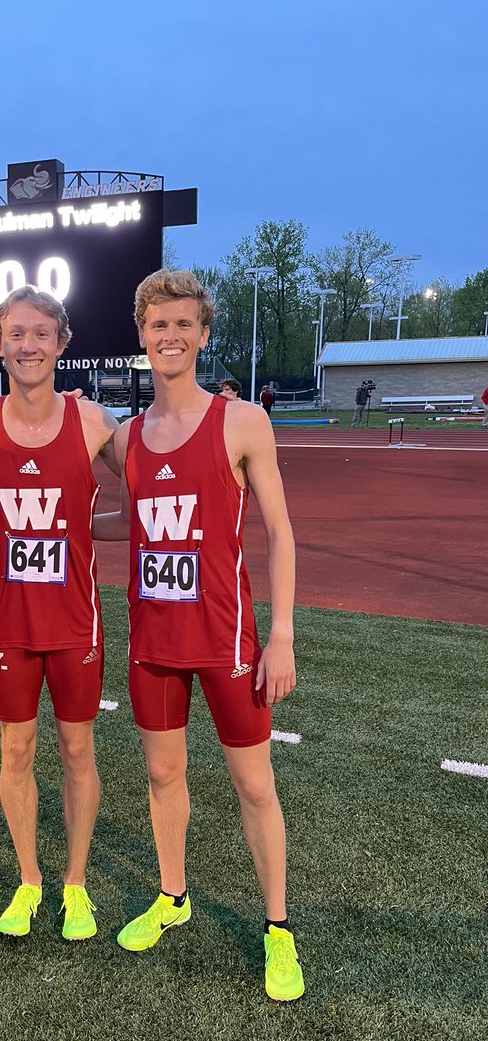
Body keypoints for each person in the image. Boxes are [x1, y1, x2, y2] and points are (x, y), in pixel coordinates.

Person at [93, 269, 304, 1002]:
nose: (170, 336)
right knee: (162, 776)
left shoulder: (242, 422)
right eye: (158, 325)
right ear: (141, 335)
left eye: (183, 324)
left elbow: (279, 531)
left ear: (203, 334)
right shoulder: (127, 439)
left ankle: (278, 929)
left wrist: (280, 635)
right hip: (153, 640)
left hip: (228, 641)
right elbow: (133, 522)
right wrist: (61, 525)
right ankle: (172, 897)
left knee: (253, 784)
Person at [0, 286, 120, 941]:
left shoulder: (96, 425)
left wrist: (85, 527)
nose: (28, 345)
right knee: (16, 749)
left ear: (62, 343)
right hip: (9, 630)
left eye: (41, 333)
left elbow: (160, 488)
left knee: (77, 751)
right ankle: (30, 880)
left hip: (76, 625)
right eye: (15, 333)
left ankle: (74, 886)